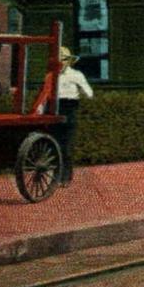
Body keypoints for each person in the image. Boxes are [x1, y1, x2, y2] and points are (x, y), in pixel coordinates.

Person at [55, 46, 93, 186]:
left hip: (70, 109)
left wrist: (81, 92)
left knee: (67, 147)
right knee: (56, 146)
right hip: (55, 109)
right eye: (59, 60)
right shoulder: (52, 76)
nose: (62, 62)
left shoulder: (76, 75)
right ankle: (57, 177)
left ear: (69, 61)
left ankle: (66, 177)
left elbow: (89, 93)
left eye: (64, 59)